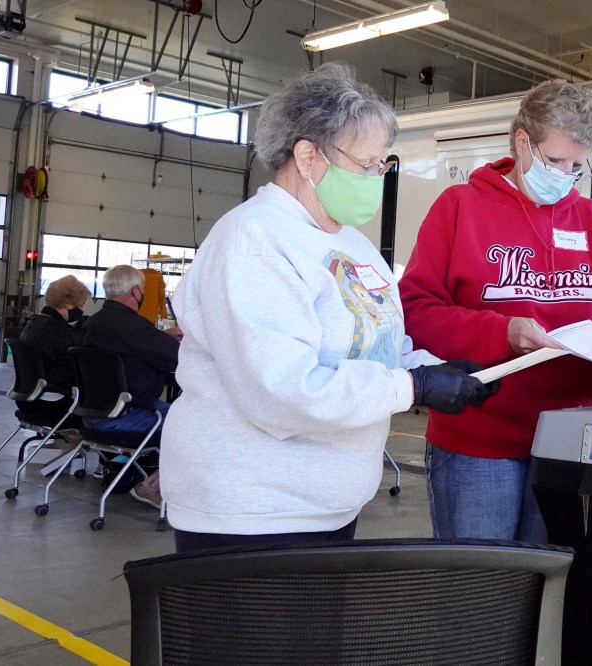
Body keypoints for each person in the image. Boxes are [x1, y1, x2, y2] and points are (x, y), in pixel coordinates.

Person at [159, 63, 495, 553]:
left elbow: (378, 348)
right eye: (366, 165)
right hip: (253, 511)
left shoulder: (352, 244)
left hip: (328, 503)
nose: (377, 177)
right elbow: (281, 391)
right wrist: (415, 387)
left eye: (383, 165)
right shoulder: (254, 239)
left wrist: (435, 369)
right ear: (308, 156)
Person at [398, 79, 592, 542]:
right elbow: (416, 310)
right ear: (522, 142)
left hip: (569, 440)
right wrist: (501, 333)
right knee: (483, 593)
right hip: (480, 445)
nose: (565, 176)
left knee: (549, 590)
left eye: (577, 167)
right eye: (554, 161)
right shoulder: (460, 207)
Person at [80, 265, 182, 509]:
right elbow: (177, 358)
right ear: (136, 291)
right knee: (194, 423)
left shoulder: (91, 325)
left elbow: (133, 349)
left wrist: (160, 338)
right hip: (128, 416)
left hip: (90, 416)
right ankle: (153, 487)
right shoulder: (134, 326)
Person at [20, 275, 91, 396]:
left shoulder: (32, 325)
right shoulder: (60, 333)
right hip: (55, 397)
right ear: (68, 303)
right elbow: (81, 366)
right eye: (80, 306)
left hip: (30, 394)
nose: (81, 311)